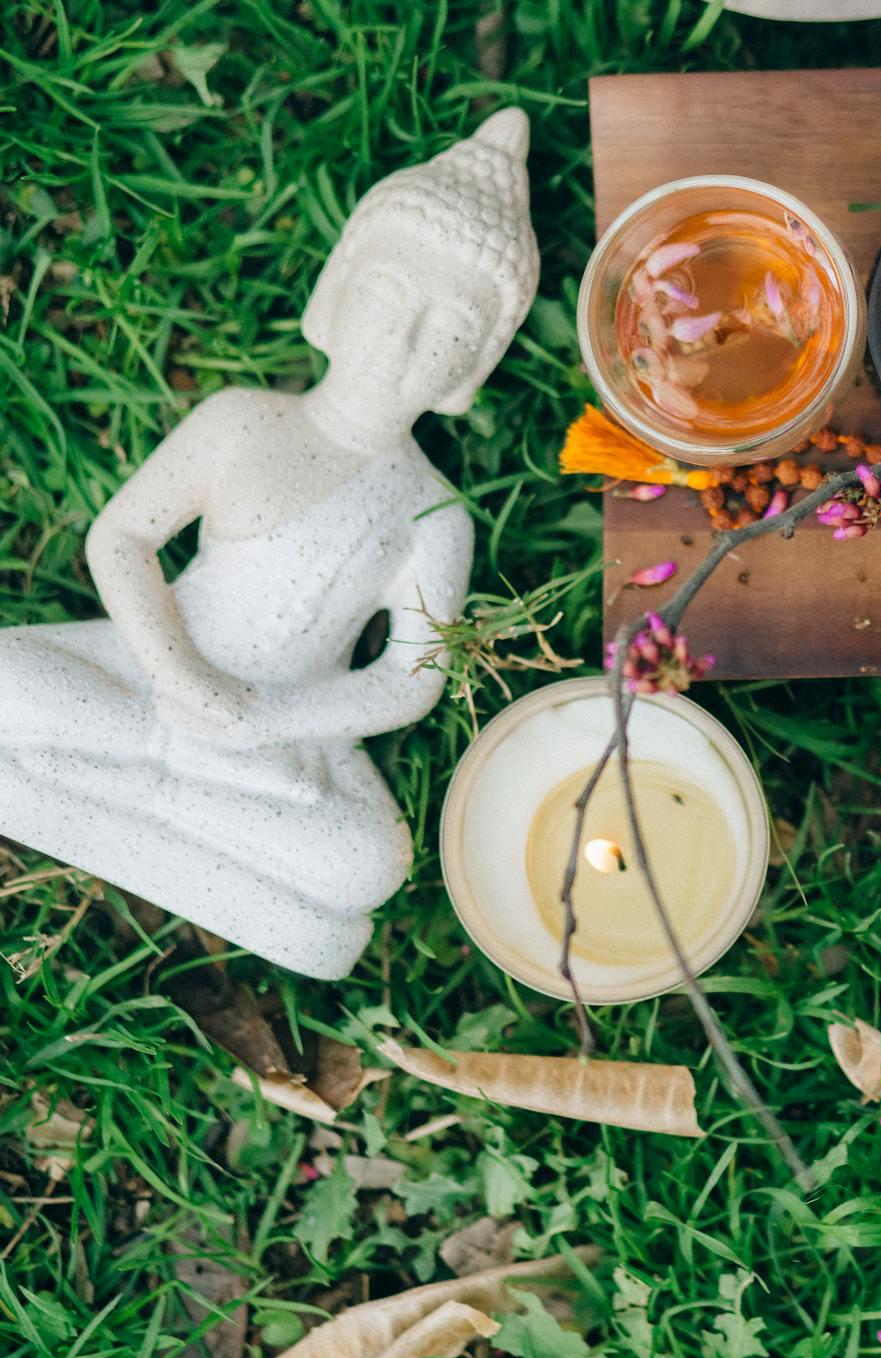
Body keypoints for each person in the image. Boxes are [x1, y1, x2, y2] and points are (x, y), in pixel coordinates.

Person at [0, 109, 539, 980]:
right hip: (151, 672)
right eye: (387, 296)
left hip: (287, 731)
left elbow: (408, 681)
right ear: (335, 289)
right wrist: (178, 674)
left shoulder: (435, 514)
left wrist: (263, 720)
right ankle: (159, 779)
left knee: (368, 863)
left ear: (473, 367)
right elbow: (123, 538)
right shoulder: (241, 421)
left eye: (447, 330)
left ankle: (104, 783)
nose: (401, 343)